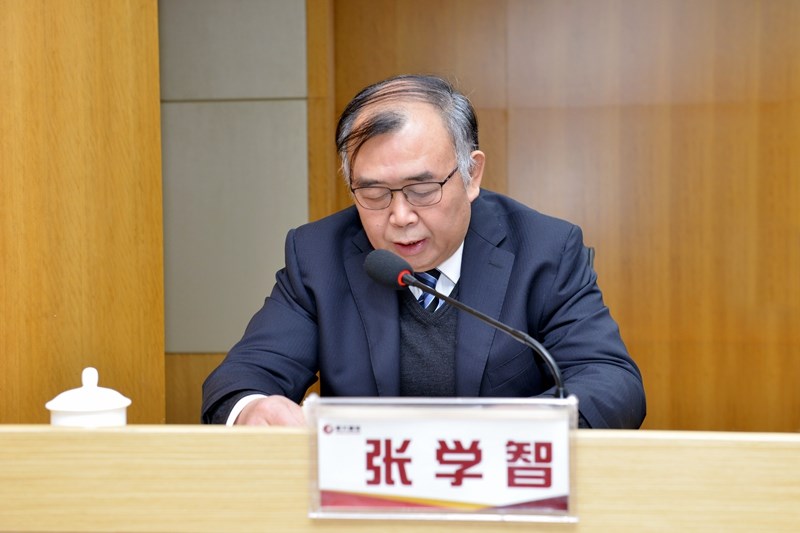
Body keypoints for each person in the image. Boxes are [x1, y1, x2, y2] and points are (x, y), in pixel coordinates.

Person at [202, 74, 646, 429]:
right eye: (373, 193)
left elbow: (612, 383)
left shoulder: (544, 249)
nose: (400, 216)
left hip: (503, 492)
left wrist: (509, 431)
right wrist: (252, 407)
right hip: (367, 495)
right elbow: (241, 379)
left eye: (422, 189)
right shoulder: (318, 255)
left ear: (471, 174)